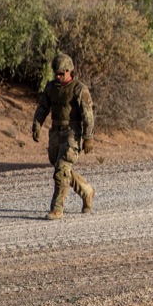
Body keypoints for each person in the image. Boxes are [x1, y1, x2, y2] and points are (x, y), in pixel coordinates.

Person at [31, 53, 95, 220]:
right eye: (56, 74)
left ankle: (57, 208)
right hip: (55, 133)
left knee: (61, 170)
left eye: (61, 73)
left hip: (72, 133)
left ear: (69, 71)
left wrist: (88, 137)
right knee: (61, 167)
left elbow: (88, 115)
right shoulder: (51, 88)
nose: (58, 77)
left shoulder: (79, 89)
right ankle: (86, 191)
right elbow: (43, 107)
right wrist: (37, 125)